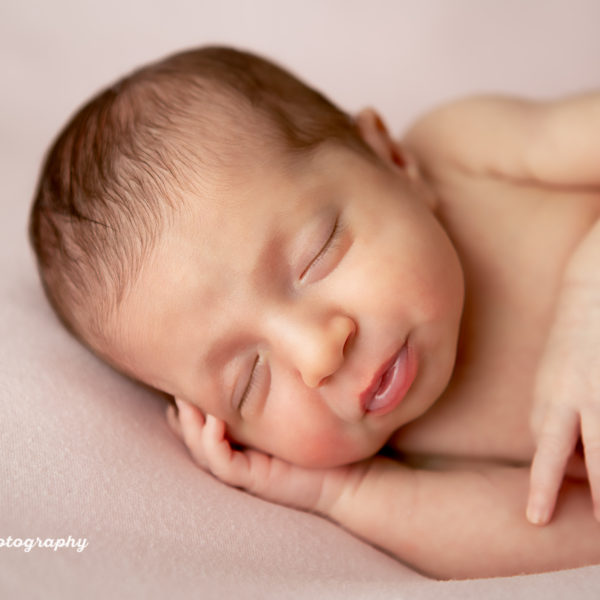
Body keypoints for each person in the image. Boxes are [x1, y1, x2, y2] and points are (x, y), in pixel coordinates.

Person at [28, 46, 600, 579]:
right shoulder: (408, 451)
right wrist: (345, 494)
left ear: (392, 159)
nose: (318, 355)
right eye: (249, 382)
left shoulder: (463, 154)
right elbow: (578, 538)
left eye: (317, 256)